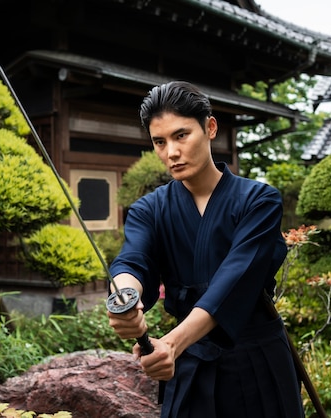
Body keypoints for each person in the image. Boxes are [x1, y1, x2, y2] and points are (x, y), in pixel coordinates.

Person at [107, 81, 304, 418]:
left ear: (210, 128)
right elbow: (133, 259)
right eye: (159, 141)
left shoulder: (259, 201)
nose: (171, 152)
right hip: (190, 365)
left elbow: (234, 279)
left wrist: (171, 343)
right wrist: (124, 297)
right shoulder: (148, 210)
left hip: (257, 361)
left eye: (181, 135)